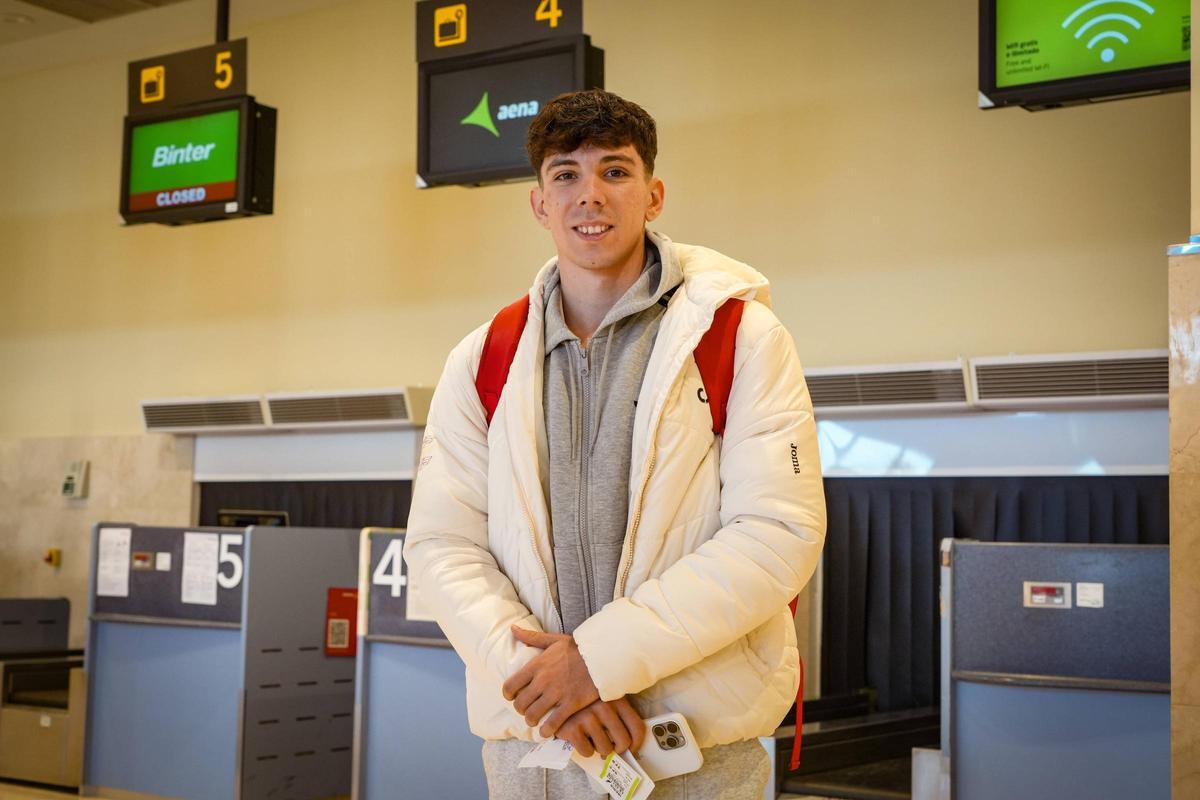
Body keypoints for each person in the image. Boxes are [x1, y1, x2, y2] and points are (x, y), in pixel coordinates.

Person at [404, 89, 826, 798]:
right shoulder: (483, 358)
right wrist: (549, 684)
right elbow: (442, 545)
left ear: (653, 195)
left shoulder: (740, 337)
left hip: (691, 749)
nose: (589, 195)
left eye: (615, 171)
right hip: (536, 743)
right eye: (565, 174)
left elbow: (777, 534)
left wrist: (596, 662)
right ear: (540, 204)